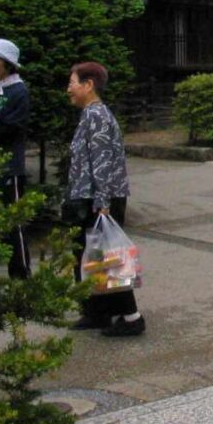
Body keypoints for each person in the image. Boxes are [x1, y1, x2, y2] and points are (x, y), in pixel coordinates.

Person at [63, 61, 145, 336]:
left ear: (89, 85)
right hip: (92, 197)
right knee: (92, 257)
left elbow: (102, 162)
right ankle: (98, 313)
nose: (68, 89)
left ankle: (132, 318)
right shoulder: (90, 114)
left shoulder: (96, 115)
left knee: (108, 258)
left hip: (97, 199)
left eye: (72, 83)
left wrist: (102, 204)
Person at [0, 38, 31, 280]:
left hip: (10, 167)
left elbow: (12, 127)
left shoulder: (18, 91)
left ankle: (20, 273)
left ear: (9, 64)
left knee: (14, 222)